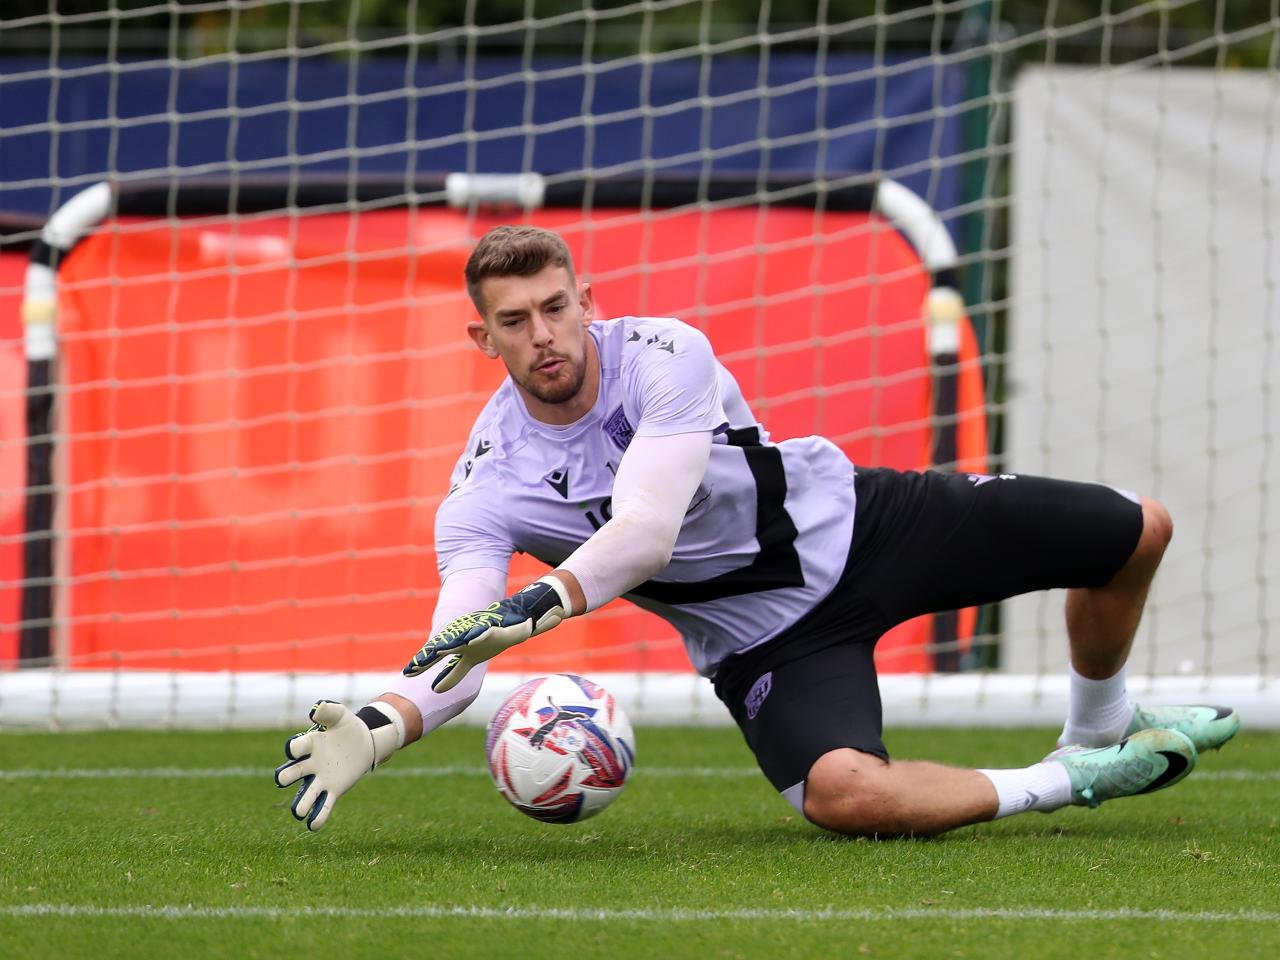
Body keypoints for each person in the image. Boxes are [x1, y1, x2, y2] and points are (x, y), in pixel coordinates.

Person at [274, 225, 1239, 835]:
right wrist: (380, 725)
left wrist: (545, 599)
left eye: (558, 308)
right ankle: (1075, 777)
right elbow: (461, 641)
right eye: (516, 321)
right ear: (483, 339)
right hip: (764, 642)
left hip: (867, 523)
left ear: (587, 302)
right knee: (846, 797)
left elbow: (646, 530)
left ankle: (1098, 722)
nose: (545, 335)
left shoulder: (665, 354)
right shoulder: (485, 489)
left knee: (1138, 530)